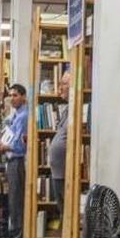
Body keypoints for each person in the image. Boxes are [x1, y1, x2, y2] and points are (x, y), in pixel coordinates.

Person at [0, 84, 28, 238]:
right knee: (12, 201)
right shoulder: (15, 116)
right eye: (11, 95)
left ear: (23, 96)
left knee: (16, 201)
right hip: (11, 160)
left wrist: (4, 146)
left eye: (15, 95)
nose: (12, 98)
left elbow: (20, 146)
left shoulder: (23, 116)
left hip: (17, 161)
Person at [47, 71, 71, 207]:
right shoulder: (67, 109)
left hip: (66, 173)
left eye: (64, 84)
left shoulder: (77, 110)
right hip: (58, 172)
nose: (60, 88)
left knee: (67, 208)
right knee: (62, 208)